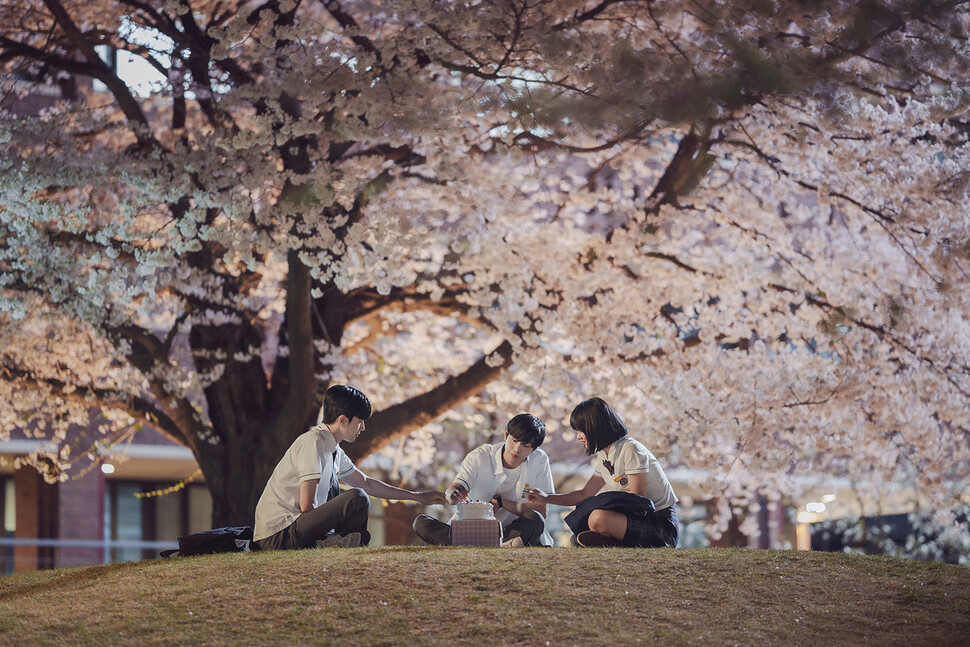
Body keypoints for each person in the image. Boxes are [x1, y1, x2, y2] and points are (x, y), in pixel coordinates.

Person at [253, 385, 448, 550]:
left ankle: (342, 546)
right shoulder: (313, 443)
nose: (362, 428)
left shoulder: (333, 448)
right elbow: (307, 507)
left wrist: (417, 496)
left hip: (296, 528)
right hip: (279, 534)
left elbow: (367, 483)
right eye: (360, 421)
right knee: (357, 498)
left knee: (361, 499)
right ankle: (333, 543)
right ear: (342, 420)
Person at [525, 397, 678, 548]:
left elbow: (640, 502)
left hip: (660, 526)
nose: (578, 436)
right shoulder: (605, 454)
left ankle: (614, 543)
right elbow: (585, 494)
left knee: (597, 519)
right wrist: (546, 498)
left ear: (594, 427)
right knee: (586, 527)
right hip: (635, 521)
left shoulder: (630, 449)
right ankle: (615, 544)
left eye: (581, 430)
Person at [412, 413, 555, 547]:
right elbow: (456, 487)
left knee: (535, 520)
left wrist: (501, 502)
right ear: (506, 434)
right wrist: (453, 493)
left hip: (509, 530)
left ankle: (477, 543)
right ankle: (494, 544)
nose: (517, 449)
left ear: (534, 449)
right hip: (470, 528)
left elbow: (541, 510)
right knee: (421, 523)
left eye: (525, 446)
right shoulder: (481, 456)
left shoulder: (539, 461)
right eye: (515, 440)